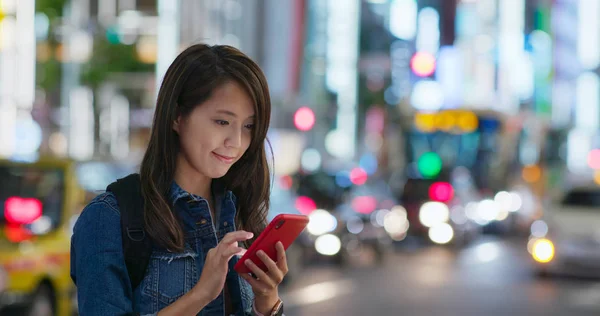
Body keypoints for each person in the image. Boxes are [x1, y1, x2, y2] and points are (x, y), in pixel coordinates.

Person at [70, 44, 286, 316]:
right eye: (222, 122)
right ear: (176, 116)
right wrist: (201, 294)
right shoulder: (110, 217)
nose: (237, 142)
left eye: (249, 126)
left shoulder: (240, 211)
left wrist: (267, 304)